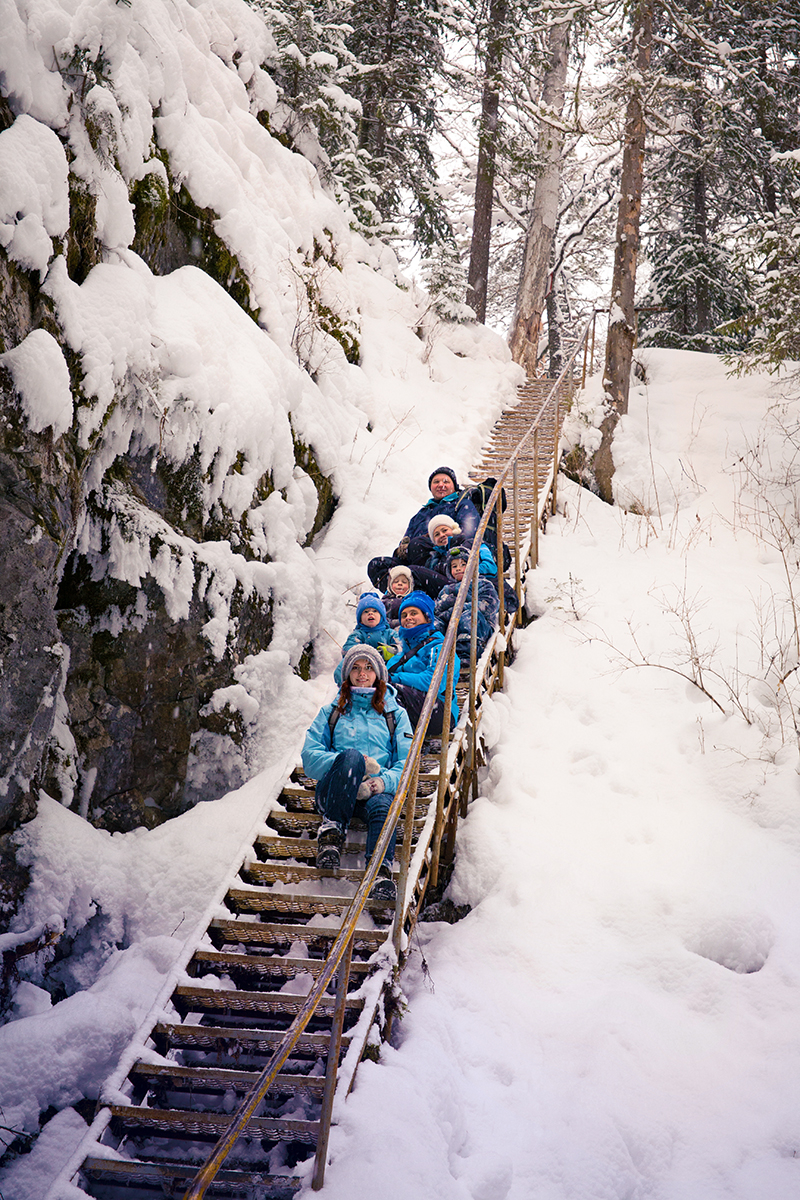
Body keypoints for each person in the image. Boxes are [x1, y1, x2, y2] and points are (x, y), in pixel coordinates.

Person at [302, 645, 413, 903]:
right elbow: (310, 757)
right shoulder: (332, 712)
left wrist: (381, 782)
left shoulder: (395, 714)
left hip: (373, 792)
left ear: (378, 674)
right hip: (334, 791)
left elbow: (406, 763)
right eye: (355, 667)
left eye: (368, 667)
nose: (362, 673)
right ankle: (331, 835)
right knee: (351, 756)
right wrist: (352, 765)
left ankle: (380, 872)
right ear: (347, 673)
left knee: (384, 805)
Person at [367, 466, 480, 589]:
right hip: (414, 562)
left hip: (443, 565)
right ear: (431, 488)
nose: (441, 484)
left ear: (454, 486)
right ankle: (399, 593)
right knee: (377, 565)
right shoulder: (421, 513)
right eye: (436, 482)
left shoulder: (461, 504)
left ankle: (420, 586)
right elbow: (405, 544)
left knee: (415, 557)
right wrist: (402, 550)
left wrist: (439, 541)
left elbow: (470, 534)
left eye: (446, 481)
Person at [386, 591, 460, 735]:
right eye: (404, 615)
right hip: (413, 712)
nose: (408, 618)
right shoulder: (398, 657)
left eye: (414, 613)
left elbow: (434, 682)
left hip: (440, 714)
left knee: (392, 691)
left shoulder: (441, 648)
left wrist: (394, 679)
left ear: (427, 617)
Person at [434, 546, 499, 662]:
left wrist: (460, 607)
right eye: (454, 566)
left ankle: (466, 656)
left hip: (480, 626)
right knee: (433, 623)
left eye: (463, 564)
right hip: (453, 627)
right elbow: (438, 611)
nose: (458, 569)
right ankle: (436, 655)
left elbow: (488, 606)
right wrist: (446, 605)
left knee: (468, 616)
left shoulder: (483, 584)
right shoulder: (446, 589)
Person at [334, 593, 399, 682]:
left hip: (386, 668)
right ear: (360, 619)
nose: (370, 613)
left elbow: (401, 647)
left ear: (382, 616)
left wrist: (390, 651)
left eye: (375, 611)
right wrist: (364, 653)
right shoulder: (358, 634)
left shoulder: (390, 633)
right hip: (364, 667)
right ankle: (346, 687)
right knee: (342, 666)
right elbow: (347, 650)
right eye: (366, 612)